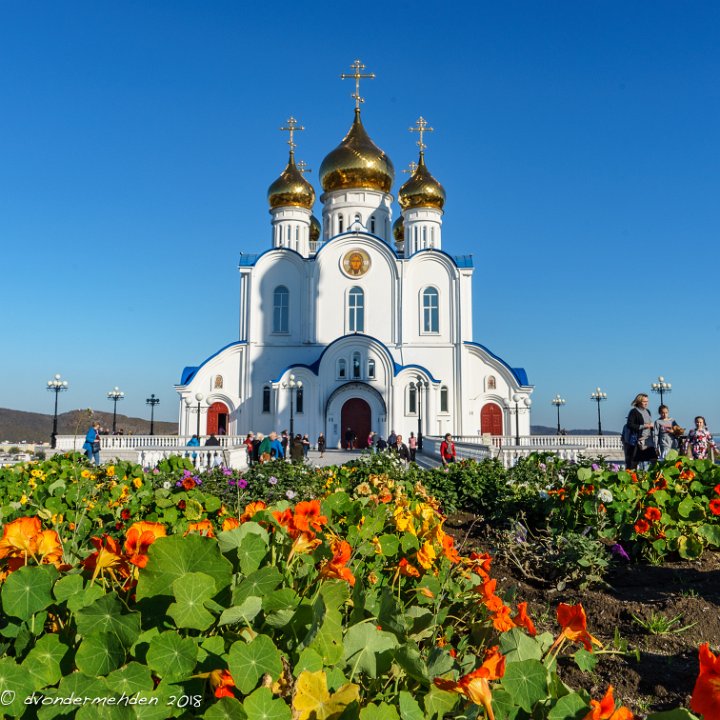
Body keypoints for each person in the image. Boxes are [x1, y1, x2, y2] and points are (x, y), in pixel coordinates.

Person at [624, 393, 656, 470]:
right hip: (638, 441)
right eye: (644, 401)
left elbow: (649, 424)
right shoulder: (633, 412)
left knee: (653, 460)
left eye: (647, 401)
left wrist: (652, 426)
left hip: (648, 441)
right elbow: (630, 425)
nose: (646, 403)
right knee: (633, 463)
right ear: (639, 402)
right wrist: (644, 426)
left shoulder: (648, 411)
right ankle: (631, 476)